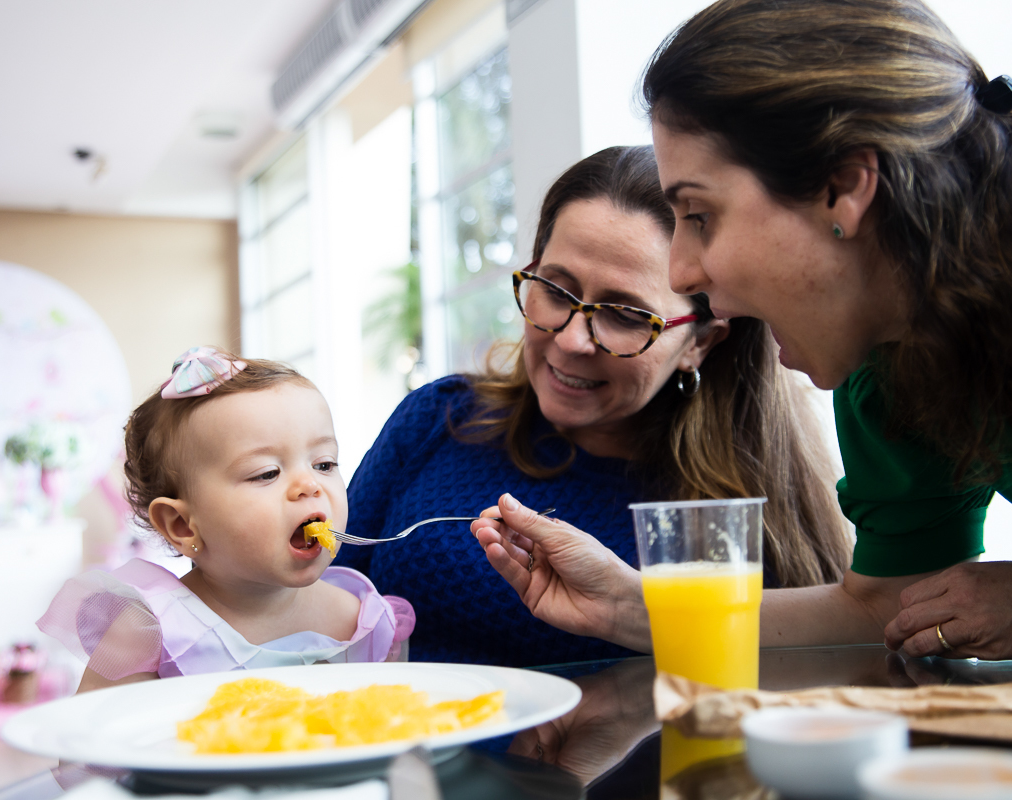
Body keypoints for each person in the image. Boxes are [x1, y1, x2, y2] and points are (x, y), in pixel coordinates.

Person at [474, 0, 1012, 663]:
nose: (682, 271)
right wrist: (629, 604)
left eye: (699, 215)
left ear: (846, 187)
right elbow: (884, 605)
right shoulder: (888, 365)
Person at [334, 145, 852, 666]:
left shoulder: (740, 516)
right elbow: (311, 595)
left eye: (626, 315)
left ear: (700, 343)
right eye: (556, 290)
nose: (572, 341)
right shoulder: (438, 419)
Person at [38, 347, 413, 692]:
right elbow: (93, 751)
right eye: (266, 473)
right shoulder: (151, 632)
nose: (309, 485)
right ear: (183, 526)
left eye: (324, 464)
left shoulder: (367, 622)